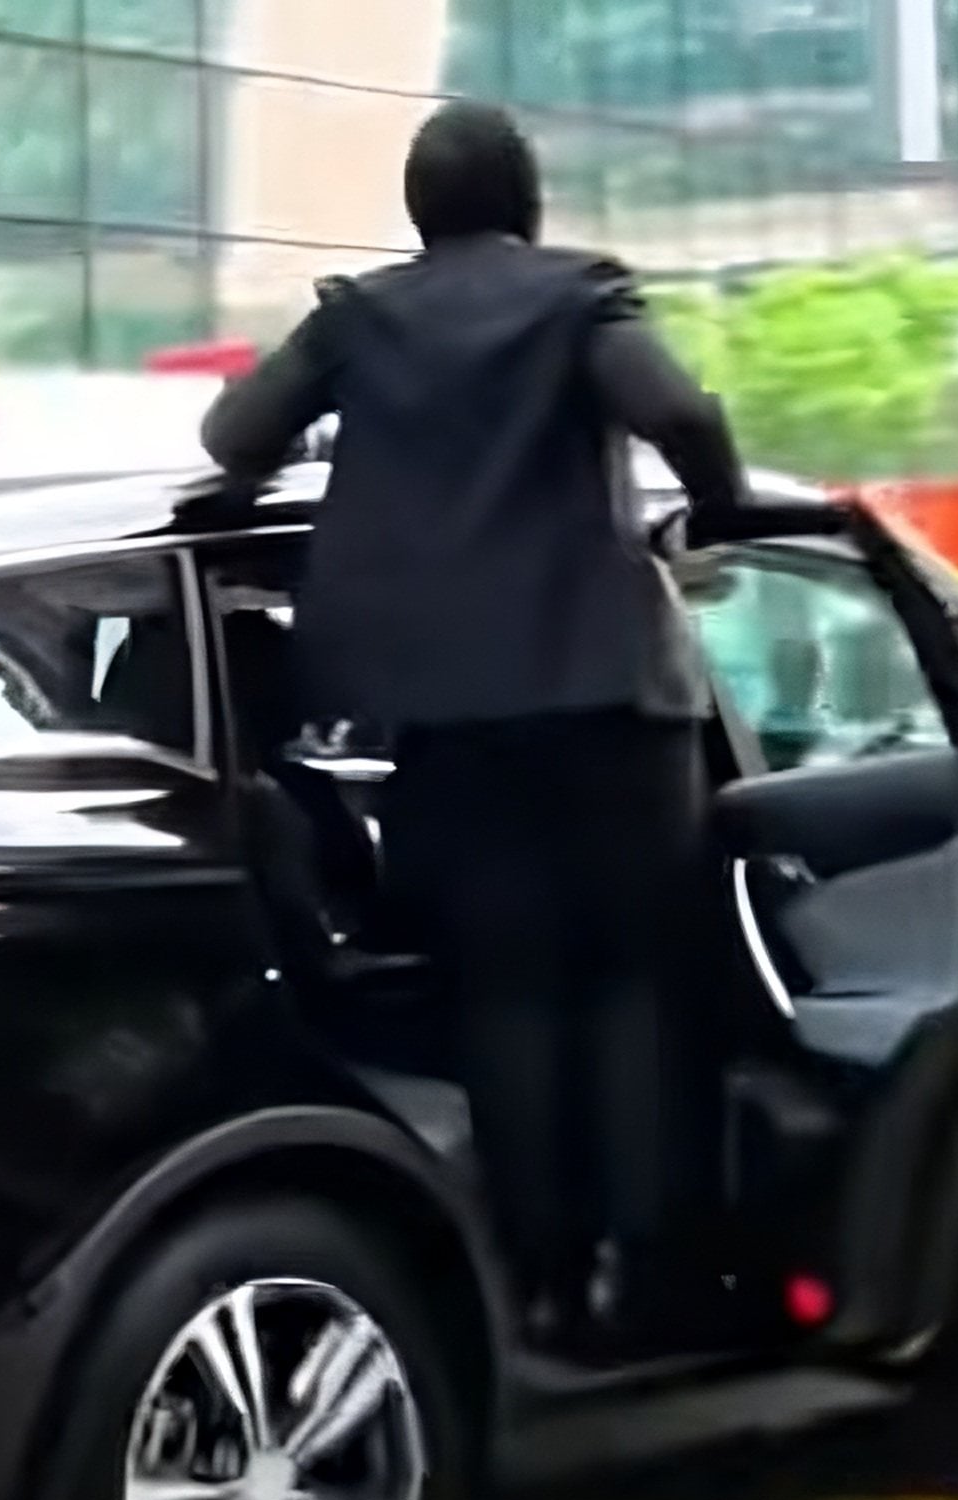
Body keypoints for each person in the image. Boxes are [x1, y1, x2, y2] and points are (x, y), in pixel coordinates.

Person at [200, 99, 750, 1359]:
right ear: (529, 202)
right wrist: (713, 506)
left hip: (442, 723)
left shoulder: (361, 319)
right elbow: (677, 412)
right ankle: (648, 1278)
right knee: (628, 988)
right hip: (608, 708)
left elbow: (231, 440)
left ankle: (537, 1283)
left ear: (414, 211)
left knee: (502, 996)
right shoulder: (577, 300)